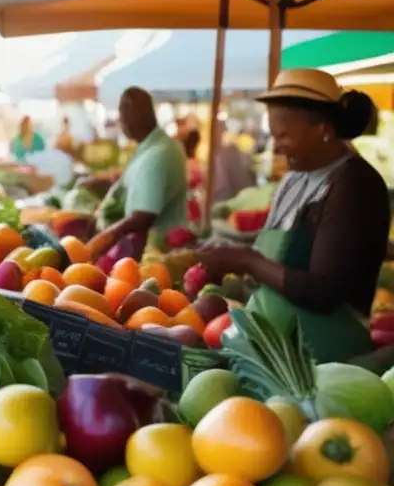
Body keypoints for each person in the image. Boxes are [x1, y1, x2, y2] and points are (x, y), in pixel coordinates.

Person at [193, 69, 388, 364]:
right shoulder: (295, 178)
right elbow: (278, 255)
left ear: (323, 128)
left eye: (283, 135)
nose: (275, 146)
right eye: (273, 135)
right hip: (274, 346)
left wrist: (248, 260)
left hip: (323, 358)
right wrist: (229, 260)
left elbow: (323, 292)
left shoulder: (354, 185)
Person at [89, 88, 189, 258]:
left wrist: (101, 240)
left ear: (134, 115)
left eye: (122, 115)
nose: (121, 122)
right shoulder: (158, 146)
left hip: (157, 256)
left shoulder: (157, 154)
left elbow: (142, 217)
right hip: (150, 252)